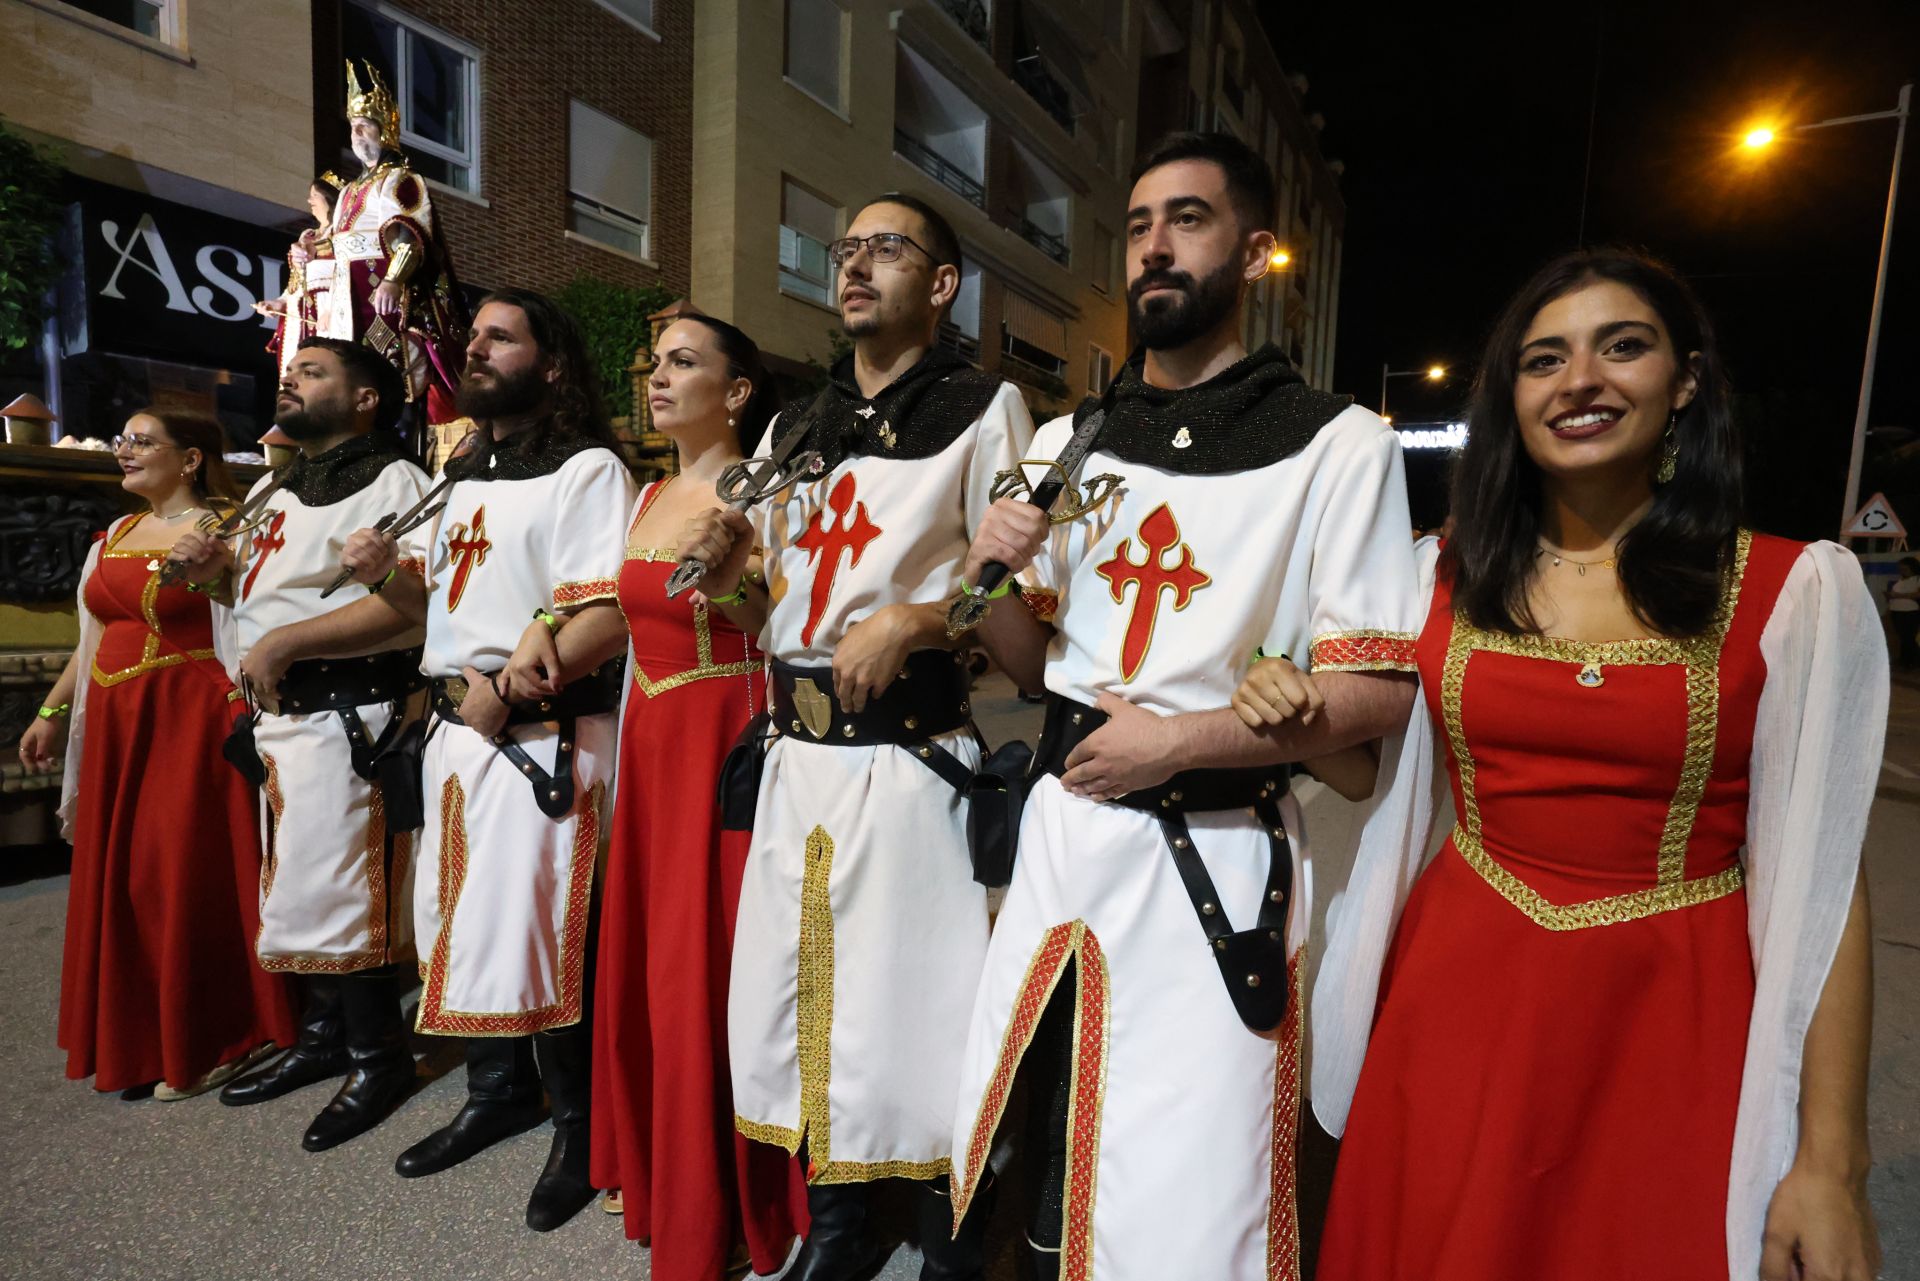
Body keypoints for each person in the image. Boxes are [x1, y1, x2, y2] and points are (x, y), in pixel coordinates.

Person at [1306, 248, 1884, 1281]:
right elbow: (1369, 779)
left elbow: (1828, 887)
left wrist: (1831, 1163)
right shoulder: (1439, 575)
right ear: (1512, 397)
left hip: (1669, 1015)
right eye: (1544, 360)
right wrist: (1277, 698)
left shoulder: (1793, 592)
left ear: (1686, 380)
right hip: (1454, 994)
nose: (1580, 380)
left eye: (1622, 347)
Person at [950, 131, 1422, 1281]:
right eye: (1139, 225)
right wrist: (986, 576)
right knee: (1045, 1113)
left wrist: (1181, 741)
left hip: (1210, 845)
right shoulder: (1070, 440)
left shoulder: (1338, 444)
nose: (1155, 246)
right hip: (1065, 837)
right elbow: (1030, 667)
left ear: (1256, 253)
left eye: (1189, 219)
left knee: (1186, 1173)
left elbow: (1377, 693)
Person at [677, 193, 1035, 1281]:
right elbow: (773, 611)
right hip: (797, 760)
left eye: (888, 248)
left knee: (915, 1010)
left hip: (908, 758)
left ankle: (949, 1237)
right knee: (803, 996)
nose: (856, 265)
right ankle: (837, 1228)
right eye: (847, 249)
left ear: (941, 284)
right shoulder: (797, 426)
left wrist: (919, 619)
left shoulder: (984, 407)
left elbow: (1011, 588)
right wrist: (731, 578)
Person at [505, 313, 808, 1278]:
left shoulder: (767, 489)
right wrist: (545, 632)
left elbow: (786, 625)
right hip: (652, 745)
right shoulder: (647, 495)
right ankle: (663, 1165)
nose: (658, 377)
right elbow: (621, 612)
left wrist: (730, 584)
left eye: (684, 362)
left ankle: (725, 1195)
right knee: (657, 962)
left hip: (726, 739)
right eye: (655, 363)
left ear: (738, 390)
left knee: (711, 968)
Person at [336, 287, 637, 1231]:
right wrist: (384, 575)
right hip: (459, 736)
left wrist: (507, 690)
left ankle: (581, 1130)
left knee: (546, 933)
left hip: (540, 739)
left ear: (552, 364)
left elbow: (604, 613)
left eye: (500, 338)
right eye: (472, 336)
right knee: (461, 921)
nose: (474, 349)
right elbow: (437, 609)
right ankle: (498, 1093)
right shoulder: (465, 470)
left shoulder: (587, 468)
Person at [167, 338, 430, 1152]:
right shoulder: (276, 484)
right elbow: (261, 596)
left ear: (365, 399)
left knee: (346, 891)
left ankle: (378, 1056)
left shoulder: (397, 482)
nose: (292, 380)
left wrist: (287, 644)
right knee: (299, 888)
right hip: (284, 720)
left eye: (313, 373)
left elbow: (410, 608)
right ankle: (323, 1039)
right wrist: (213, 574)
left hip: (351, 712)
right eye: (293, 371)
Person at [19, 411, 296, 1099]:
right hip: (118, 727)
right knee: (128, 879)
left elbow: (253, 619)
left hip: (189, 720)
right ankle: (141, 1036)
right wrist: (51, 711)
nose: (126, 451)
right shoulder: (115, 533)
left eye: (143, 441)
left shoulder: (226, 528)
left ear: (191, 458)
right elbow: (93, 636)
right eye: (123, 440)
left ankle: (222, 1032)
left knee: (182, 873)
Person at [326, 60, 467, 434]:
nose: (357, 134)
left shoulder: (400, 179)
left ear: (384, 129)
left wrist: (393, 280)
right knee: (350, 378)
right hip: (346, 302)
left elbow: (410, 235)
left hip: (381, 297)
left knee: (392, 378)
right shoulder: (348, 191)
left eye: (365, 126)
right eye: (353, 127)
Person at [257, 179, 340, 382]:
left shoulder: (341, 234)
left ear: (329, 199)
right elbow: (296, 281)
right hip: (298, 311)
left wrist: (333, 308)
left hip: (324, 307)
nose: (309, 200)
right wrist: (279, 302)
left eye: (314, 195)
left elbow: (345, 273)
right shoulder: (309, 235)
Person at [1885, 556, 1919, 668]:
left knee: (1908, 637)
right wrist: (1889, 596)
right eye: (1900, 568)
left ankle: (1909, 661)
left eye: (1904, 568)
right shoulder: (1900, 580)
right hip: (1896, 611)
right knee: (1902, 636)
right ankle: (1905, 659)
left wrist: (1898, 596)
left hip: (1910, 611)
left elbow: (1917, 595)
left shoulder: (1917, 579)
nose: (1901, 570)